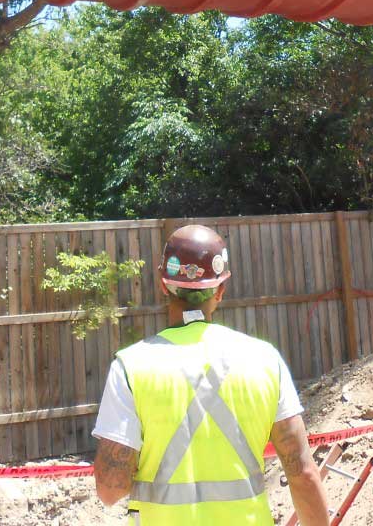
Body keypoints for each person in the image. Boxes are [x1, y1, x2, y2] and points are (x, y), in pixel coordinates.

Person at [92, 224, 332, 525]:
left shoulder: (130, 368)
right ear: (221, 288)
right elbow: (304, 474)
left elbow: (110, 490)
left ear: (163, 285)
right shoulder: (265, 360)